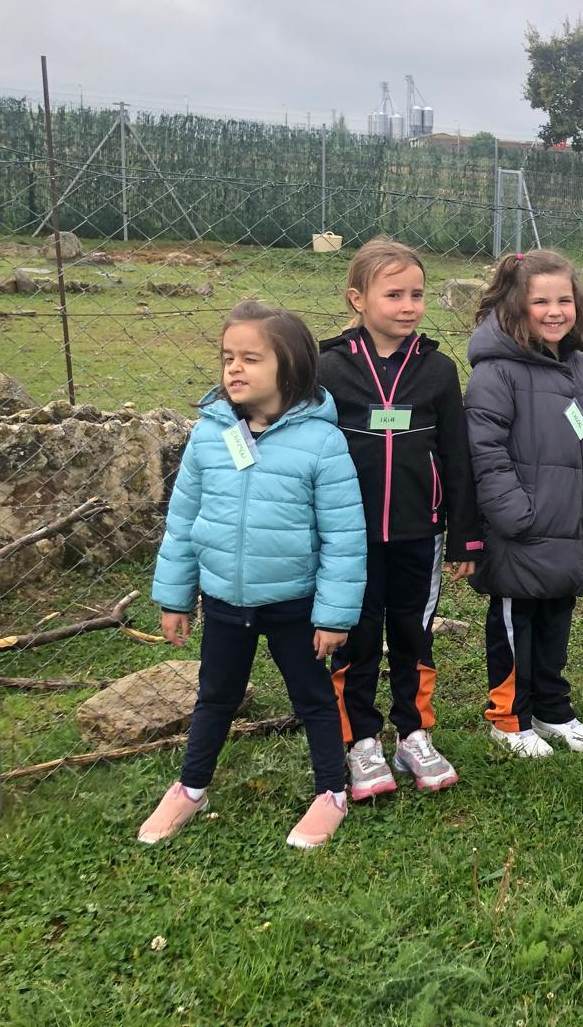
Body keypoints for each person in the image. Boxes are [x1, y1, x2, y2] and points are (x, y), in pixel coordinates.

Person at [139, 300, 366, 849]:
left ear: (289, 368)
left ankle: (331, 791)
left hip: (294, 604)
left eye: (250, 359)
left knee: (312, 697)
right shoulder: (208, 435)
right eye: (227, 358)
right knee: (215, 696)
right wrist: (174, 598)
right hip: (222, 601)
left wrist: (334, 614)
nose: (234, 369)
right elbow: (184, 519)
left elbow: (343, 535)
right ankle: (191, 787)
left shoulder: (323, 442)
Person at [318, 238, 482, 799]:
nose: (409, 305)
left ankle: (413, 733)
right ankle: (360, 739)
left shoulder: (438, 370)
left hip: (421, 532)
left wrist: (464, 537)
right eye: (394, 294)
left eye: (417, 293)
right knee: (358, 634)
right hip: (350, 537)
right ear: (356, 299)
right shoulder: (329, 368)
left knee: (413, 633)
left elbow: (458, 457)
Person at [466, 250, 583, 758]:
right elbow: (483, 451)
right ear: (515, 307)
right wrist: (516, 514)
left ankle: (552, 708)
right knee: (516, 622)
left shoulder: (581, 370)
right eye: (541, 301)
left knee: (557, 617)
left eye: (564, 299)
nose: (555, 311)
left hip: (573, 524)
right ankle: (509, 716)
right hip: (524, 531)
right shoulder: (497, 373)